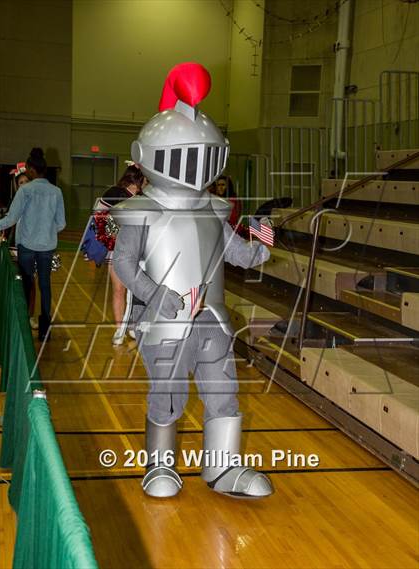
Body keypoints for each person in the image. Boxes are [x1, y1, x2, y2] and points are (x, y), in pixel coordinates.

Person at [112, 62, 273, 499]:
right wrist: (152, 293)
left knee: (223, 392)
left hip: (213, 321)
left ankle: (222, 468)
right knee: (167, 395)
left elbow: (236, 253)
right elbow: (124, 264)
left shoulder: (214, 211)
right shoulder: (139, 211)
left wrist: (259, 242)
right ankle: (159, 467)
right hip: (165, 321)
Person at [0, 148, 66, 341]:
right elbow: (61, 224)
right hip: (47, 247)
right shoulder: (57, 192)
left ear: (31, 169)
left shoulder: (25, 190)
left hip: (27, 247)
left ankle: (24, 327)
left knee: (26, 286)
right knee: (45, 286)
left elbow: (11, 219)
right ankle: (45, 329)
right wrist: (46, 230)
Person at [96, 163, 146, 345]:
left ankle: (132, 325)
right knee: (119, 289)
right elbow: (98, 217)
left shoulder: (144, 197)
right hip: (116, 249)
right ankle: (120, 328)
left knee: (137, 290)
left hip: (139, 251)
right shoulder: (113, 193)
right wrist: (111, 235)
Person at [6, 163, 38, 329]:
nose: (24, 185)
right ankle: (15, 315)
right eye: (21, 183)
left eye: (27, 181)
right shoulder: (13, 203)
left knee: (30, 282)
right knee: (15, 282)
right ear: (16, 186)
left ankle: (30, 315)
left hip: (31, 247)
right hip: (13, 248)